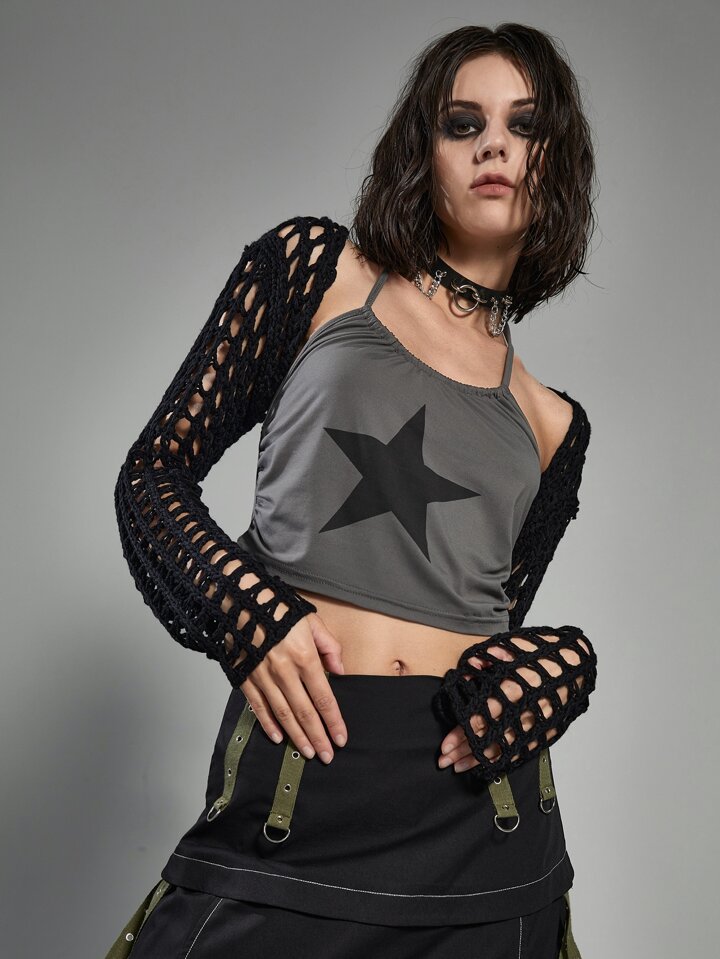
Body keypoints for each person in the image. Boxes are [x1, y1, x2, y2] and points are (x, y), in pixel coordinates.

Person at [105, 21, 598, 959]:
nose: (494, 145)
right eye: (463, 123)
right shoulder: (317, 272)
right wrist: (247, 611)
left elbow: (491, 625)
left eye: (525, 126)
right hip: (303, 787)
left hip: (484, 835)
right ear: (423, 150)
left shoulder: (552, 423)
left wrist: (562, 665)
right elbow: (152, 475)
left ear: (556, 162)